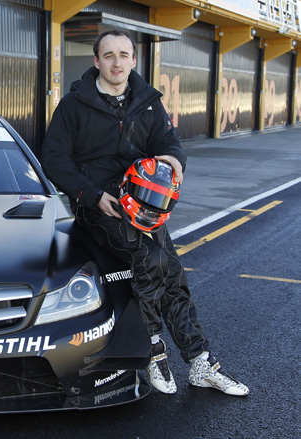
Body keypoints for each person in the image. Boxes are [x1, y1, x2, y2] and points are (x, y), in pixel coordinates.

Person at [41, 30, 248, 396]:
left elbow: (169, 143)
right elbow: (54, 159)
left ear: (134, 60)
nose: (117, 62)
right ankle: (152, 348)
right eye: (109, 55)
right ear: (96, 61)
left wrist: (174, 160)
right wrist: (92, 196)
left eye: (124, 55)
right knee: (150, 258)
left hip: (146, 206)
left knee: (174, 275)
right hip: (102, 206)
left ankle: (199, 361)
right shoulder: (73, 105)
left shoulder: (149, 103)